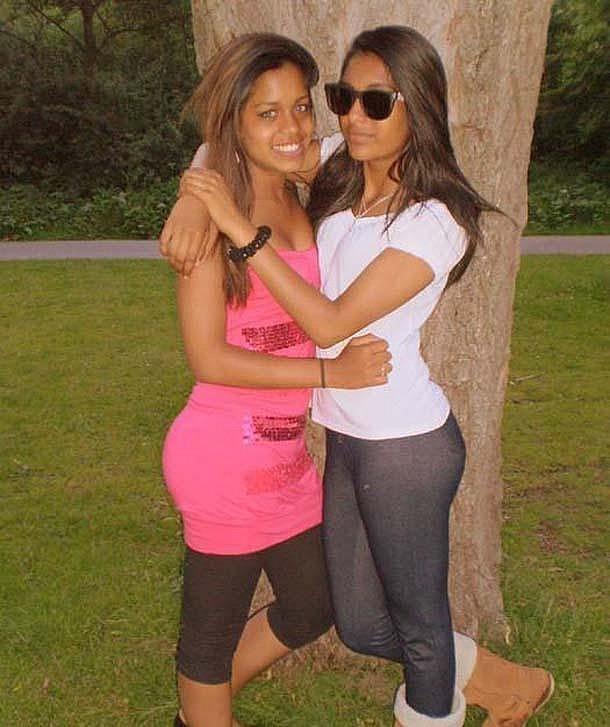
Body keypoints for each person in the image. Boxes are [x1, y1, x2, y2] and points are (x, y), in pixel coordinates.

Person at [162, 26, 554, 727]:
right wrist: (198, 195)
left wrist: (231, 223)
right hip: (319, 440)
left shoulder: (434, 219)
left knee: (399, 622)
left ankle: (457, 694)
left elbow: (330, 322)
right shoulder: (339, 168)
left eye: (377, 102)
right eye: (344, 98)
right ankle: (498, 678)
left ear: (419, 108)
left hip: (400, 444)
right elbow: (238, 133)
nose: (349, 117)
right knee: (351, 623)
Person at [161, 33, 394, 727]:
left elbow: (219, 144)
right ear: (235, 123)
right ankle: (206, 708)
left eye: (299, 106)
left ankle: (199, 709)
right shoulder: (211, 228)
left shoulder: (304, 184)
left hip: (286, 459)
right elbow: (208, 359)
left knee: (314, 604)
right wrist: (330, 373)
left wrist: (196, 182)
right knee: (208, 637)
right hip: (222, 457)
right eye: (267, 113)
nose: (292, 127)